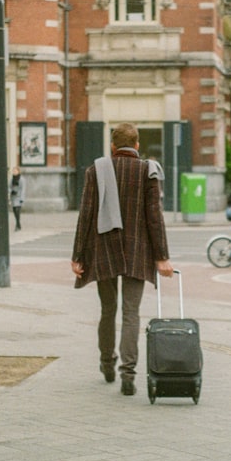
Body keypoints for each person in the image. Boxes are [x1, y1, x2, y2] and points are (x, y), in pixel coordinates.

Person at [71, 123, 173, 396]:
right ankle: (128, 374)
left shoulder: (96, 170)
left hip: (103, 248)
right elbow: (155, 216)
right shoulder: (147, 171)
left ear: (113, 147)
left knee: (107, 310)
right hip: (137, 250)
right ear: (137, 145)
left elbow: (86, 214)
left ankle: (107, 363)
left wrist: (78, 256)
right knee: (131, 313)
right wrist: (162, 256)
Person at [9, 167, 26, 231]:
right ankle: (18, 224)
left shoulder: (22, 179)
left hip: (19, 197)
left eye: (15, 171)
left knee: (17, 210)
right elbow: (9, 187)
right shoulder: (11, 179)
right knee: (14, 210)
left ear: (18, 171)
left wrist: (22, 198)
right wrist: (11, 191)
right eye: (13, 171)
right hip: (13, 196)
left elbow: (23, 189)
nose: (14, 172)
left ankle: (17, 224)